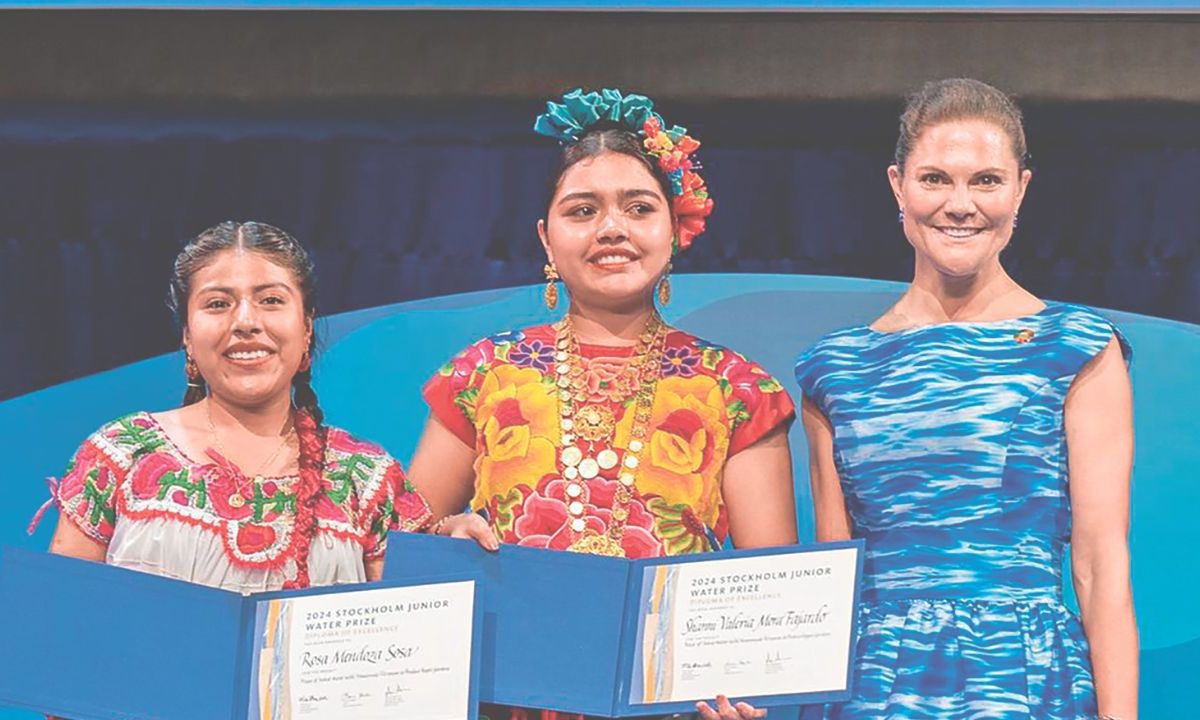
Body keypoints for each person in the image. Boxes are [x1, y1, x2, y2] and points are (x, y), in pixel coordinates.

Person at [408, 89, 798, 720]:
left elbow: (770, 595)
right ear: (546, 237)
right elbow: (403, 544)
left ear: (676, 229)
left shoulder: (736, 389)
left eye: (638, 208)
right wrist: (446, 536)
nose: (611, 229)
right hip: (507, 698)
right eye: (582, 210)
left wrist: (747, 697)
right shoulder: (481, 374)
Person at [794, 78, 1138, 719]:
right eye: (935, 180)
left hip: (1024, 680)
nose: (960, 205)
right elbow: (829, 585)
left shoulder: (1078, 345)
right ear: (897, 186)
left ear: (1021, 190)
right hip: (876, 685)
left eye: (986, 180)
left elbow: (1100, 567)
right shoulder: (833, 369)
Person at [42, 221, 430, 592]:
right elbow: (62, 619)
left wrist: (459, 551)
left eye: (271, 300)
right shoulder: (121, 454)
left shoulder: (365, 479)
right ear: (188, 337)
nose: (245, 321)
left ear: (306, 327)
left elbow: (412, 622)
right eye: (217, 303)